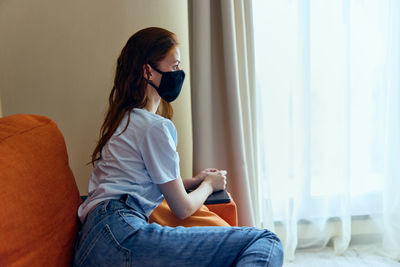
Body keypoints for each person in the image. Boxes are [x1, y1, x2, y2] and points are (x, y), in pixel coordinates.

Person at [73, 27, 283, 267]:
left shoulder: (123, 120)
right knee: (265, 239)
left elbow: (142, 183)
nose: (179, 74)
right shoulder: (154, 127)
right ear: (147, 71)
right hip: (122, 235)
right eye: (174, 67)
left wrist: (193, 180)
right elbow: (182, 208)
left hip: (91, 244)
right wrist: (208, 185)